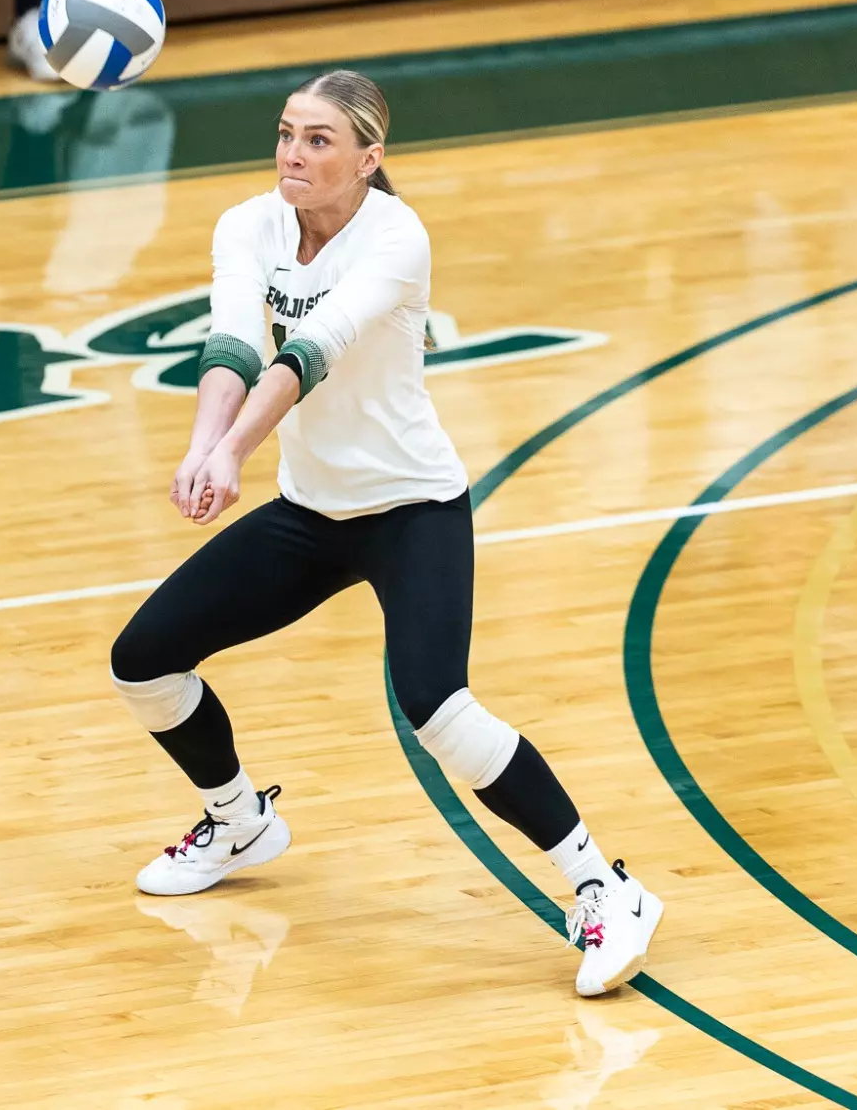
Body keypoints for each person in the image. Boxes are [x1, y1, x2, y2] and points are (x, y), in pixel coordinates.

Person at [108, 71, 665, 998]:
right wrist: (205, 446)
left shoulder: (397, 238)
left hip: (412, 509)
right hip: (310, 513)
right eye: (286, 133)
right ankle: (238, 818)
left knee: (438, 707)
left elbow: (307, 356)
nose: (294, 152)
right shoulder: (247, 225)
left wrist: (235, 450)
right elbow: (235, 345)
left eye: (320, 140)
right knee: (145, 660)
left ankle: (604, 886)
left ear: (370, 158)